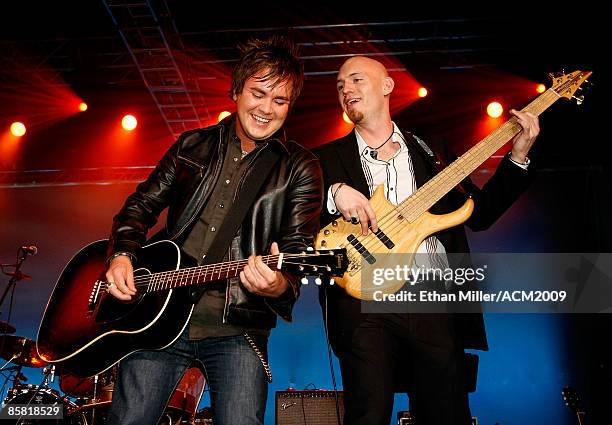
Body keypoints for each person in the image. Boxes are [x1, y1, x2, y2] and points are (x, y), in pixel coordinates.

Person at [104, 35, 323, 425]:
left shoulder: (300, 167)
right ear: (237, 91)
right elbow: (139, 207)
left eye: (281, 100)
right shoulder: (193, 144)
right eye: (259, 93)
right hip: (157, 322)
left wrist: (277, 285)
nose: (267, 109)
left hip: (239, 331)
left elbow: (297, 248)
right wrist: (123, 254)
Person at [314, 56, 539, 425]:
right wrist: (333, 191)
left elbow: (479, 214)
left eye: (355, 80)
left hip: (431, 293)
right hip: (363, 297)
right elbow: (298, 214)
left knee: (446, 413)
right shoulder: (324, 160)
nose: (346, 90)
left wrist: (517, 156)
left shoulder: (430, 150)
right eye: (340, 85)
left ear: (387, 86)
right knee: (367, 414)